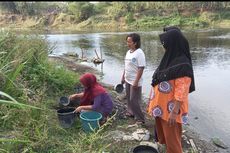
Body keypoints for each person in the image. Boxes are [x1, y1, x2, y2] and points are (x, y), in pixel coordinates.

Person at [147, 28, 195, 153]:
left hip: (171, 111)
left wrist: (174, 112)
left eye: (165, 43)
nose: (164, 46)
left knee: (173, 143)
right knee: (165, 138)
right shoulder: (169, 59)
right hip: (160, 107)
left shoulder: (183, 64)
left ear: (173, 43)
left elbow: (182, 91)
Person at [121, 33, 146, 124]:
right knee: (128, 98)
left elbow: (141, 68)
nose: (127, 43)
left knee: (134, 100)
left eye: (129, 42)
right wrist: (123, 76)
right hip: (128, 79)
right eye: (127, 41)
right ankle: (131, 112)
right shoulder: (128, 52)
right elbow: (126, 65)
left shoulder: (139, 53)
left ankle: (140, 118)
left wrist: (136, 81)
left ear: (135, 43)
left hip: (135, 81)